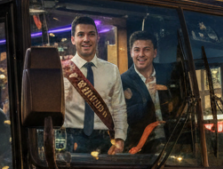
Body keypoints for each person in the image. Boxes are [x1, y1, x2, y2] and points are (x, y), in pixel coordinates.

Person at [61, 15, 127, 155]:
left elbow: (119, 108)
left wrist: (120, 138)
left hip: (104, 140)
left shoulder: (112, 70)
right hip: (72, 139)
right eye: (81, 35)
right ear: (73, 39)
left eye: (91, 34)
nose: (86, 39)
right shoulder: (62, 71)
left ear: (98, 38)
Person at [120, 31, 175, 153]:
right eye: (137, 50)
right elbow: (123, 117)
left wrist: (168, 92)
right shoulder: (123, 81)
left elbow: (180, 99)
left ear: (155, 52)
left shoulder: (168, 73)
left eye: (146, 49)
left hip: (172, 140)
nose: (141, 54)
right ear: (131, 53)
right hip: (140, 146)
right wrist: (149, 100)